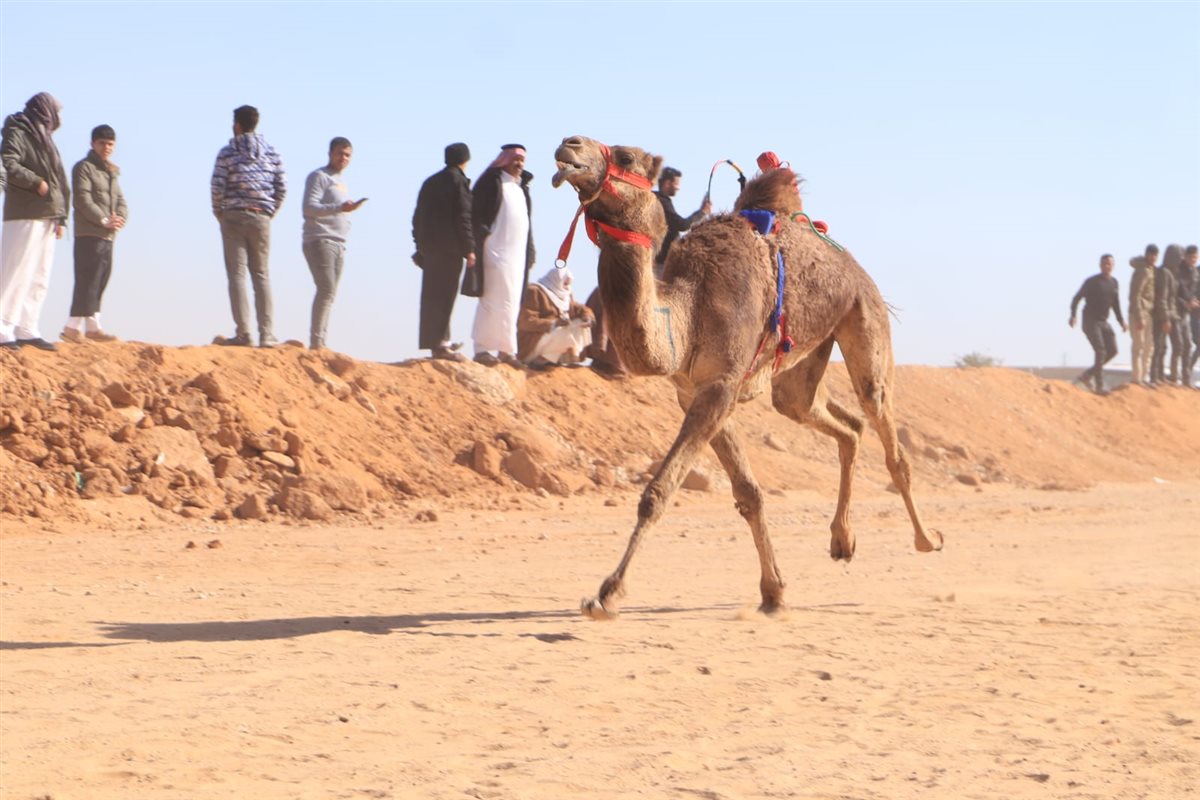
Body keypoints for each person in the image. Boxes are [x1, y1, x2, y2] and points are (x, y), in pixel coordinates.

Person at [211, 105, 286, 348]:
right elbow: (281, 188)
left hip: (233, 215)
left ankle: (244, 333)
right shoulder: (272, 153)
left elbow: (217, 186)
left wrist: (219, 211)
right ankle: (267, 334)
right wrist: (268, 211)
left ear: (238, 125)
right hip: (260, 217)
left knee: (237, 276)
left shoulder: (227, 152)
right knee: (261, 275)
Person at [0, 92, 69, 351]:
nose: (58, 117)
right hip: (24, 212)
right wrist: (36, 183)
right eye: (56, 110)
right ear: (43, 109)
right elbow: (9, 163)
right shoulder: (18, 129)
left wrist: (61, 215)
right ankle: (2, 328)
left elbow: (59, 179)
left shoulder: (45, 137)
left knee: (39, 275)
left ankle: (27, 327)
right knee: (14, 271)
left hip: (47, 214)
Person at [61, 124, 126, 344]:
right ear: (92, 144)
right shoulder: (83, 168)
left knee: (100, 279)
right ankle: (73, 327)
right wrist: (104, 219)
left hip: (108, 235)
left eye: (110, 144)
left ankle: (89, 326)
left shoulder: (112, 171)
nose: (106, 148)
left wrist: (120, 218)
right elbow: (82, 199)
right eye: (102, 143)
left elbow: (120, 200)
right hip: (89, 232)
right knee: (87, 279)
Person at [470, 144, 534, 367]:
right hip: (494, 252)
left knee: (511, 302)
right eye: (516, 159)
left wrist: (530, 251)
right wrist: (480, 241)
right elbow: (476, 213)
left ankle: (507, 351)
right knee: (491, 300)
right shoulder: (491, 183)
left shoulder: (520, 188)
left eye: (522, 161)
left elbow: (527, 225)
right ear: (504, 160)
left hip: (516, 256)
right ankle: (481, 349)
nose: (520, 164)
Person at [412, 142, 474, 362]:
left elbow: (417, 217)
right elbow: (463, 217)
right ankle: (440, 344)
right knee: (445, 296)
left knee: (431, 296)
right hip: (450, 249)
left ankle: (438, 341)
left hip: (430, 249)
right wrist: (469, 249)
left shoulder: (430, 182)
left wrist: (418, 246)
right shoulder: (458, 182)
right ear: (465, 160)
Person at [302, 137, 365, 351]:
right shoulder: (319, 177)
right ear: (330, 153)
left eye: (347, 155)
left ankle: (321, 339)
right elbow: (309, 208)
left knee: (330, 292)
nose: (343, 158)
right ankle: (317, 341)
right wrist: (339, 208)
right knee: (326, 288)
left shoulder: (341, 182)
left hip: (339, 242)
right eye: (340, 153)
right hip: (320, 238)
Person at [1069, 253, 1126, 394]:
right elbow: (1076, 298)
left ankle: (1087, 376)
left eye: (1110, 264)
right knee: (1100, 351)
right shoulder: (1092, 282)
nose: (1108, 266)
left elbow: (1116, 305)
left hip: (1103, 322)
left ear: (1113, 266)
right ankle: (1099, 386)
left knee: (1112, 351)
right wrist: (1073, 316)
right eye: (1105, 264)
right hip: (1090, 321)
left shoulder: (1114, 283)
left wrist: (1121, 322)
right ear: (1100, 265)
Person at [517, 266, 594, 367]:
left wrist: (587, 317)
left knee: (580, 325)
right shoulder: (535, 291)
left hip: (552, 338)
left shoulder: (566, 295)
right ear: (556, 280)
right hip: (532, 343)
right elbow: (525, 322)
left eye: (568, 283)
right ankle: (538, 360)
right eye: (565, 283)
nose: (567, 286)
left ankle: (558, 359)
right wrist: (554, 323)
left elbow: (581, 309)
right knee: (564, 331)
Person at [654, 166, 711, 271]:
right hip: (659, 264)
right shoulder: (662, 202)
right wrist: (702, 212)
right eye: (676, 184)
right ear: (667, 183)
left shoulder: (656, 199)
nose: (678, 188)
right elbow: (682, 225)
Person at [1149, 244, 1180, 385]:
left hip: (1172, 315)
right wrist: (1166, 318)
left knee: (1173, 346)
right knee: (1159, 347)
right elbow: (1163, 298)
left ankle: (1166, 376)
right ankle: (1155, 377)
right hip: (1162, 316)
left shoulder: (1173, 273)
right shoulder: (1164, 273)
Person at [1127, 244, 1157, 386]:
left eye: (1155, 255)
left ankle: (1144, 377)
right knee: (1139, 345)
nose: (1153, 258)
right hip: (1139, 312)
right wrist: (1139, 316)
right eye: (1151, 255)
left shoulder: (1151, 270)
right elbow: (1135, 295)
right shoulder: (1142, 271)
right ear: (1146, 255)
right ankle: (1136, 378)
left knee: (1149, 346)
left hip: (1149, 312)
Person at [1170, 242, 1196, 387]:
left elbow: (1192, 292)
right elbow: (1173, 293)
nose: (1193, 260)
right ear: (1185, 257)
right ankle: (1173, 377)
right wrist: (1184, 302)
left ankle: (1186, 379)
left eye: (1195, 258)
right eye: (1191, 257)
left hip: (1186, 313)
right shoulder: (1178, 271)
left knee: (1188, 345)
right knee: (1178, 345)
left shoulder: (1194, 272)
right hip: (1175, 312)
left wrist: (1193, 301)